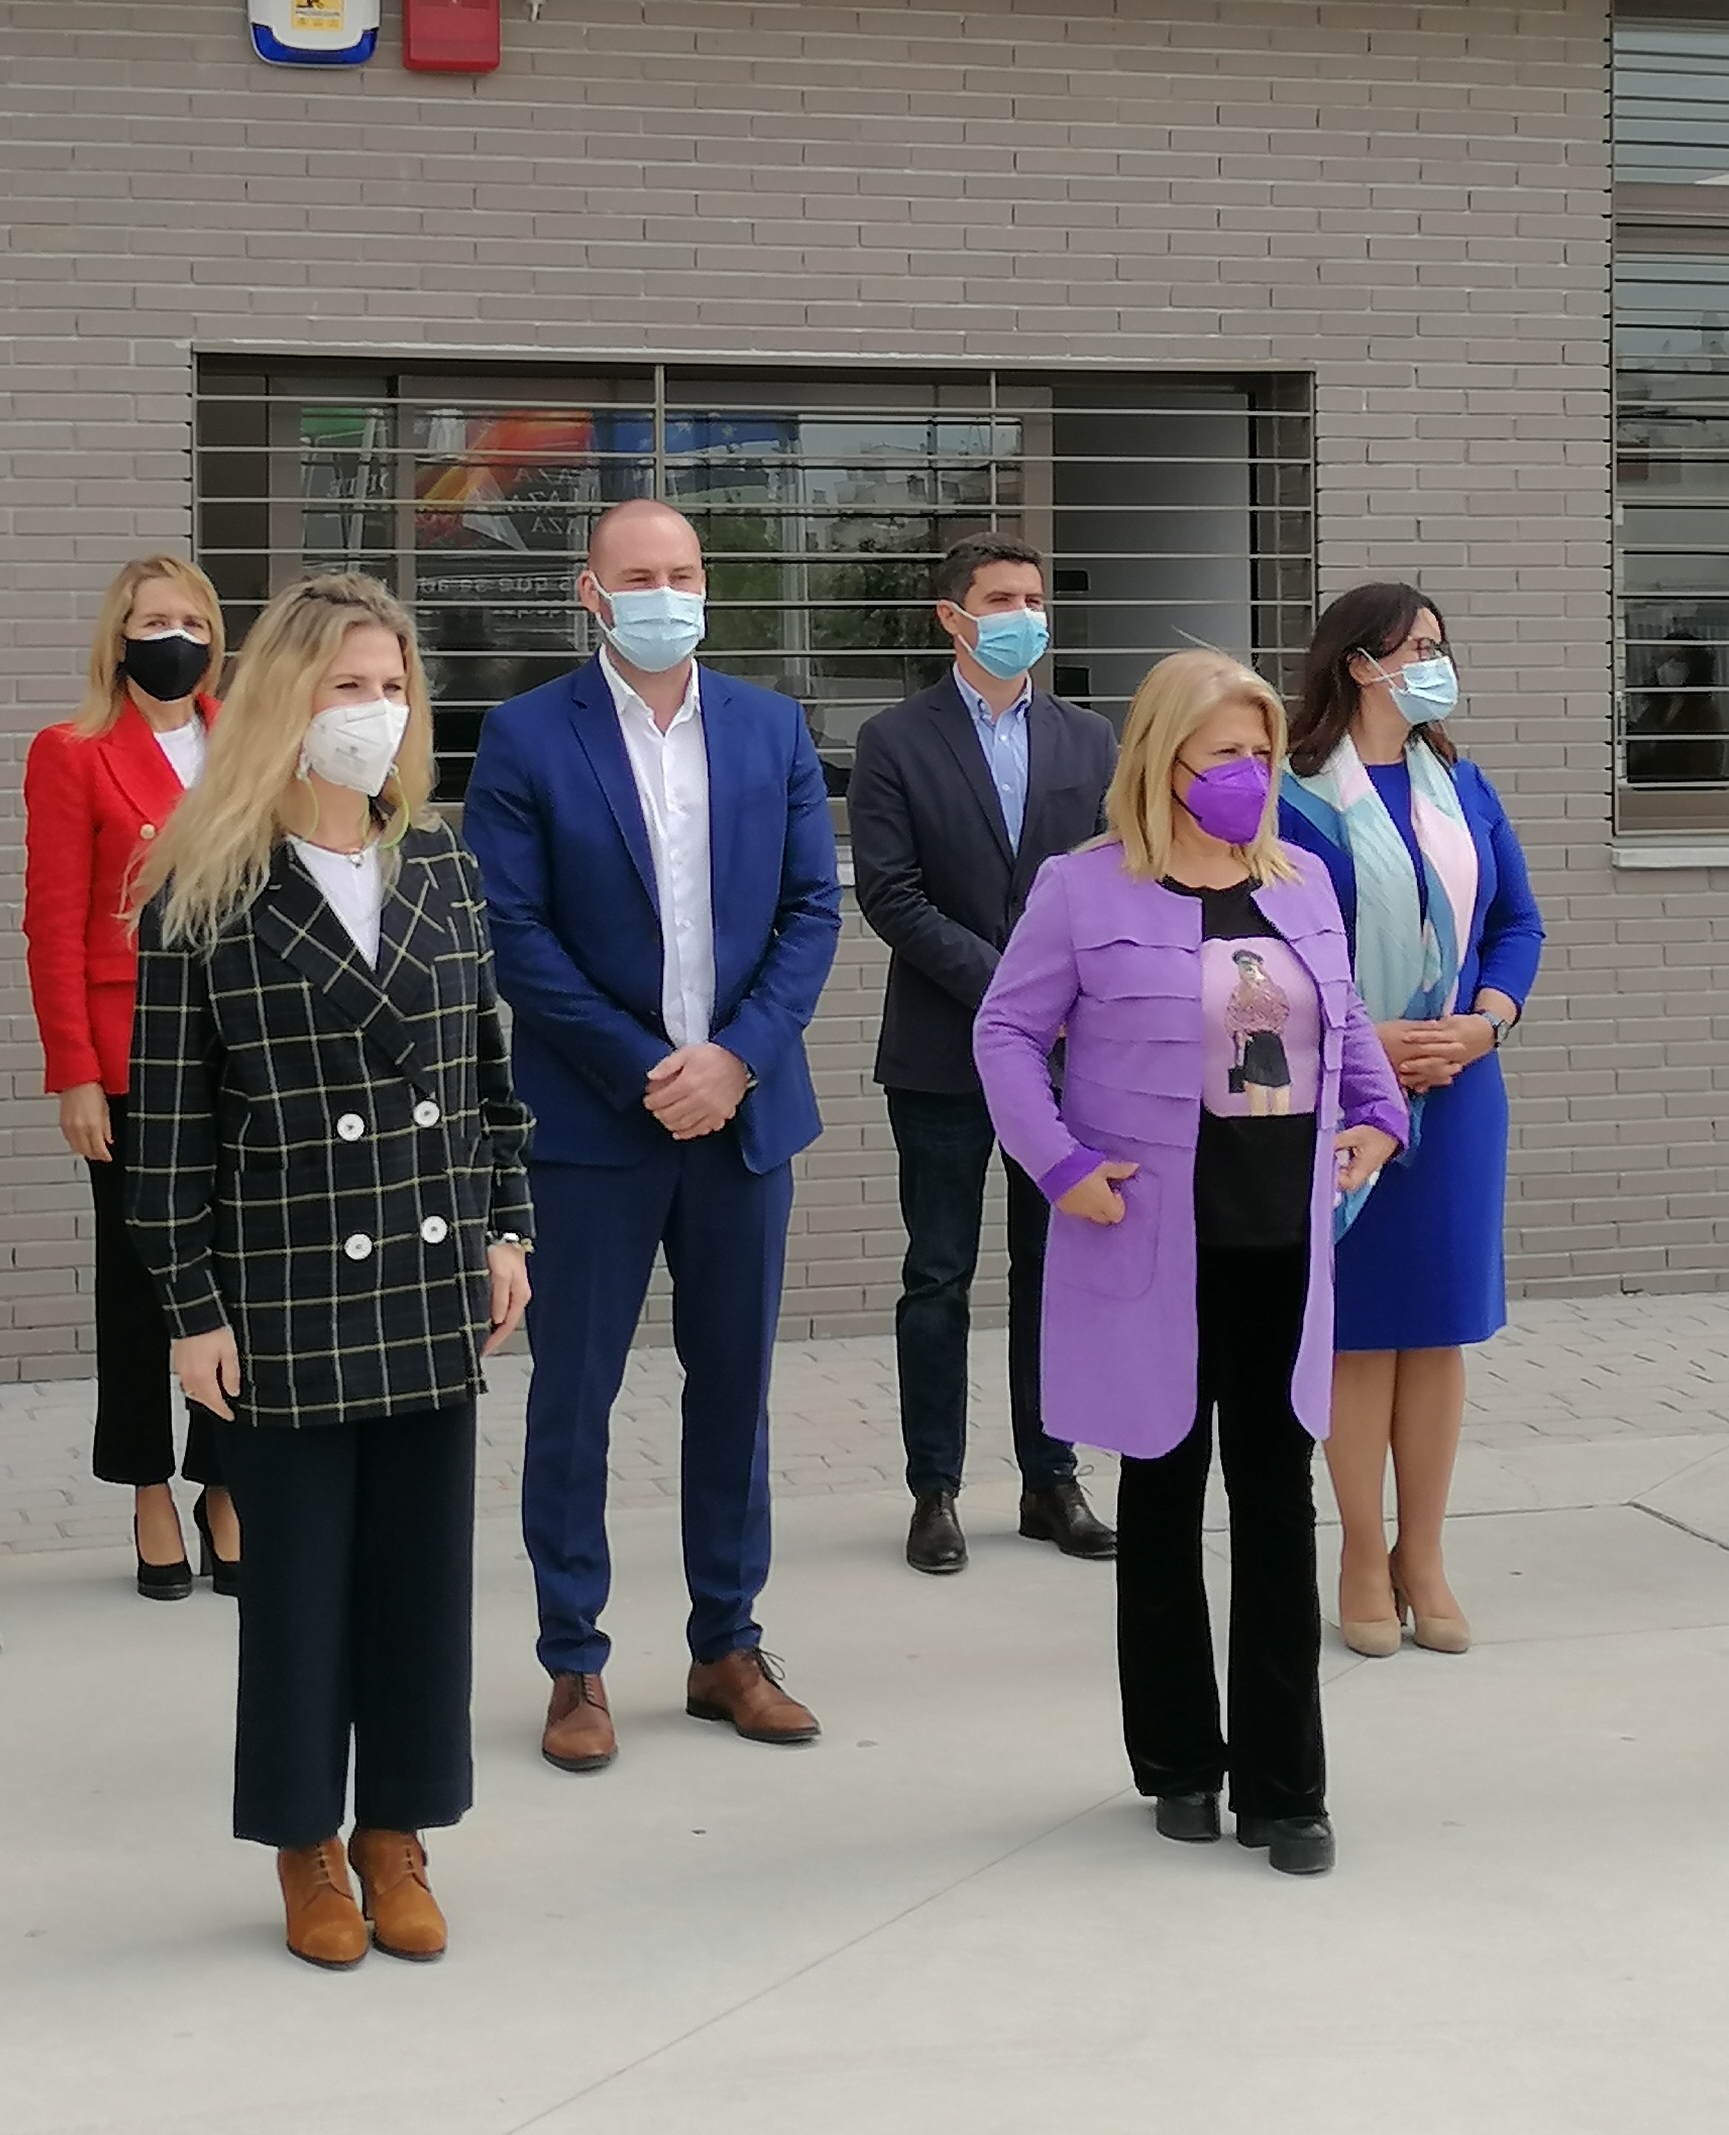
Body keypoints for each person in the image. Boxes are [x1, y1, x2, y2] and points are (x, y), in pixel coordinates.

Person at [123, 578, 535, 1967]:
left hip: (427, 1275)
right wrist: (190, 1311)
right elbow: (167, 1131)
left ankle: (395, 1833)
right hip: (285, 1281)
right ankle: (305, 1842)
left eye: (390, 686)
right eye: (345, 687)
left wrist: (507, 1227)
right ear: (283, 705)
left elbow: (488, 1082)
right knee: (299, 1588)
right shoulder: (202, 886)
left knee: (421, 1578)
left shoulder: (445, 866)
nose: (375, 712)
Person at [974, 650, 1406, 1876]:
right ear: (1163, 761)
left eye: (1262, 755)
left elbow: (1346, 1016)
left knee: (1278, 1509)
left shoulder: (1304, 881)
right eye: (1225, 755)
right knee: (1161, 1508)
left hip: (1284, 1242)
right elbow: (1005, 1030)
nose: (1249, 776)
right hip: (1152, 1246)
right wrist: (1059, 1164)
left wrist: (1379, 1112)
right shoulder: (1083, 888)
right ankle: (1174, 1762)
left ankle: (1286, 1789)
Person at [463, 496, 841, 1771]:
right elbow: (516, 935)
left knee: (733, 1393)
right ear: (590, 592)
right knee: (573, 1398)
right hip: (591, 1128)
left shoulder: (771, 725)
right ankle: (574, 1662)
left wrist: (734, 1059)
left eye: (682, 572)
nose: (665, 592)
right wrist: (646, 1072)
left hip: (743, 1119)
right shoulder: (523, 736)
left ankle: (726, 1644)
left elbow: (810, 912)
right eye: (640, 574)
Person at [1277, 582, 1544, 1657]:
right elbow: (1267, 947)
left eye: (1439, 644)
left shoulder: (1462, 784)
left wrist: (1486, 1021)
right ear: (1356, 662)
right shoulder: (1290, 795)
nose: (1433, 662)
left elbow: (1516, 922)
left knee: (1436, 1329)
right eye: (1413, 646)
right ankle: (1355, 1550)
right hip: (1343, 1086)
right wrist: (1363, 1039)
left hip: (1461, 1086)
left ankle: (1421, 1552)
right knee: (1355, 1331)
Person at [848, 535, 1121, 1576]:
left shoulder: (1087, 738)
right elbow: (889, 893)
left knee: (1051, 1271)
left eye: (1034, 598)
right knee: (939, 1272)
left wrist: (1062, 1001)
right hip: (943, 1054)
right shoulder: (892, 739)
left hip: (1064, 1059)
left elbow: (1111, 876)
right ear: (951, 617)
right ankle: (935, 1491)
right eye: (1001, 598)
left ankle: (1051, 1479)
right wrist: (1016, 990)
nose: (1024, 615)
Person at [24, 555, 239, 1595]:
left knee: (238, 1273)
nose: (177, 635)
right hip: (129, 1054)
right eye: (156, 618)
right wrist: (71, 1072)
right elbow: (52, 922)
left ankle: (225, 1481)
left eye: (193, 618)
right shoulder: (71, 752)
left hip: (243, 1048)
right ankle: (149, 1486)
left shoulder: (244, 737)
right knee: (138, 1283)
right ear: (119, 637)